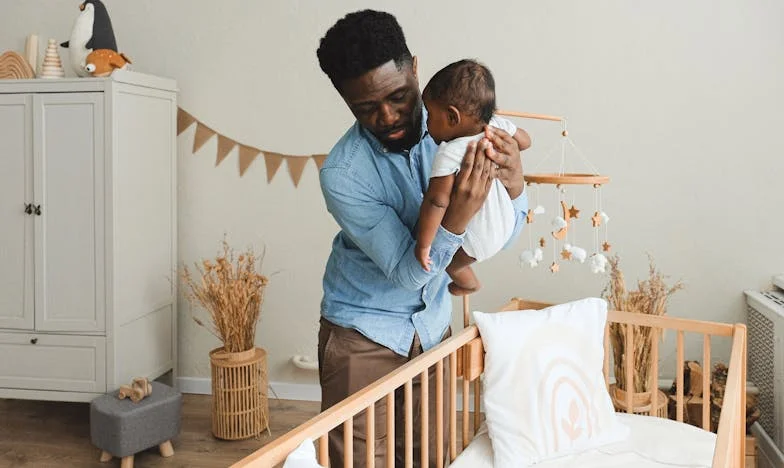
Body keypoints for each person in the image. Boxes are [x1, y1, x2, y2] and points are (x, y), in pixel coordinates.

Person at [315, 9, 529, 467]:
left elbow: (504, 235)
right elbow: (408, 273)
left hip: (432, 329)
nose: (388, 116)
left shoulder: (462, 124)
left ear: (414, 68)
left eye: (398, 96)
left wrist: (515, 185)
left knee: (431, 457)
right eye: (366, 108)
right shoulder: (344, 174)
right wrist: (457, 218)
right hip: (363, 334)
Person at [416, 59, 531, 295]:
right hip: (507, 222)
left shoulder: (450, 152)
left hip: (478, 236)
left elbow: (437, 201)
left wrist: (424, 244)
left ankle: (469, 284)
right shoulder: (495, 126)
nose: (426, 124)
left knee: (450, 262)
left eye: (430, 116)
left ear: (452, 117)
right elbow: (526, 141)